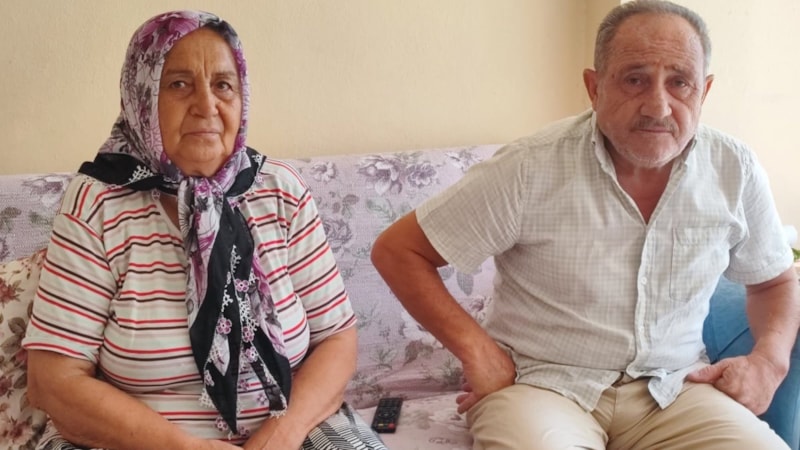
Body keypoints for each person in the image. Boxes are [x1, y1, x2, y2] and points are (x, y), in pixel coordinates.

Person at [371, 1, 800, 449]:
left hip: (676, 389)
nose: (658, 106)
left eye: (680, 82)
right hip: (541, 386)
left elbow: (774, 281)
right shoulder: (529, 167)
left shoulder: (734, 168)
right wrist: (478, 352)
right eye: (634, 79)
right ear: (594, 88)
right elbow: (399, 251)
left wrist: (769, 363)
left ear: (704, 92)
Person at [22, 10, 386, 450]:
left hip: (290, 430)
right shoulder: (97, 202)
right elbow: (54, 379)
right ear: (142, 97)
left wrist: (281, 436)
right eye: (179, 84)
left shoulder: (280, 190)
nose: (206, 105)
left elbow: (337, 338)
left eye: (223, 85)